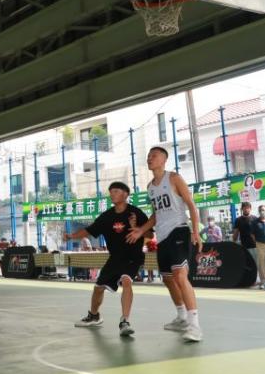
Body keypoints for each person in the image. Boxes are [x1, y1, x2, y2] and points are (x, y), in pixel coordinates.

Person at [127, 147, 203, 343]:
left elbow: (191, 205)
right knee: (168, 279)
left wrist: (196, 231)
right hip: (161, 236)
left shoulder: (174, 178)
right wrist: (141, 230)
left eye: (155, 155)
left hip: (179, 230)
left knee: (179, 274)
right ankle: (181, 317)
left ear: (164, 160)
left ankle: (195, 325)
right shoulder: (150, 187)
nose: (150, 158)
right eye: (149, 156)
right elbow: (156, 214)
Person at [66, 181, 148, 338]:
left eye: (116, 191)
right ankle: (94, 316)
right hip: (114, 258)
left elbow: (150, 235)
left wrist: (137, 227)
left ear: (125, 194)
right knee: (98, 288)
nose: (112, 194)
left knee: (126, 280)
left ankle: (124, 321)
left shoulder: (135, 213)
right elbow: (89, 230)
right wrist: (71, 236)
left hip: (133, 256)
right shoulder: (107, 216)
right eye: (111, 192)